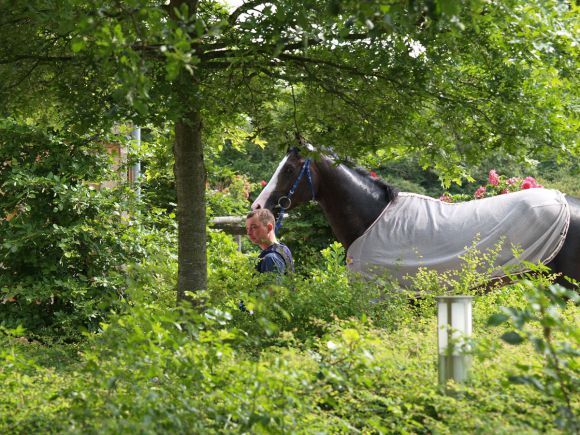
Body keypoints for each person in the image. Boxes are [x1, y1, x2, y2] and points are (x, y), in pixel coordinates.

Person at [245, 209, 294, 274]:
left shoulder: (271, 258)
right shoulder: (282, 249)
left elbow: (274, 284)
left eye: (254, 227)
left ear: (269, 228)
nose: (249, 233)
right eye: (247, 228)